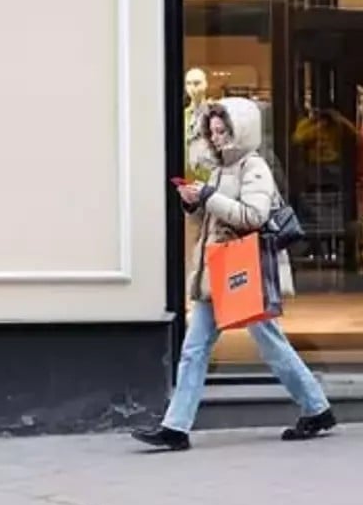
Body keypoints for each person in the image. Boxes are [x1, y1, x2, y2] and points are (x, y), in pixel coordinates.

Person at [132, 98, 335, 451]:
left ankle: (316, 407)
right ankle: (176, 427)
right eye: (212, 131)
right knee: (200, 348)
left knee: (263, 343)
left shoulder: (253, 167)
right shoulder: (221, 168)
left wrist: (207, 196)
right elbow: (215, 216)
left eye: (223, 130)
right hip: (224, 271)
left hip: (241, 269)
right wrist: (193, 201)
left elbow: (253, 217)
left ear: (240, 129)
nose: (217, 137)